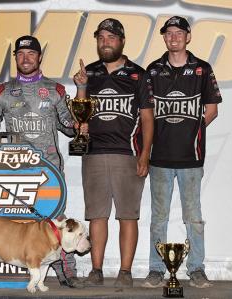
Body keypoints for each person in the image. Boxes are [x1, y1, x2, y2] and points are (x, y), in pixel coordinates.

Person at [0, 35, 83, 288]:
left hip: (49, 170)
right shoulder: (2, 91)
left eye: (31, 53)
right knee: (16, 224)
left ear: (39, 57)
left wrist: (79, 124)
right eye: (20, 54)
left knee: (55, 222)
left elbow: (68, 126)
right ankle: (11, 271)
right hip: (13, 169)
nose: (26, 58)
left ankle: (66, 270)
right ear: (15, 58)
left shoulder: (55, 90)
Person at [73, 18, 154, 288]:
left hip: (127, 154)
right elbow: (80, 113)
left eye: (111, 37)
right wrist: (81, 85)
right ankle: (96, 270)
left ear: (121, 41)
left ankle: (126, 271)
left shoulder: (137, 74)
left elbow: (147, 119)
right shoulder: (90, 73)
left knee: (127, 215)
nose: (105, 42)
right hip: (94, 154)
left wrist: (144, 155)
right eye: (101, 38)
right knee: (97, 214)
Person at [142, 16, 222, 289]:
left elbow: (211, 110)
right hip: (159, 158)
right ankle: (155, 270)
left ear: (188, 36)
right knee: (158, 219)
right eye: (169, 33)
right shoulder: (152, 70)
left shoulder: (202, 69)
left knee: (194, 218)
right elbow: (146, 113)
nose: (173, 37)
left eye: (179, 33)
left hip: (191, 158)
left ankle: (196, 268)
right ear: (164, 38)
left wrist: (192, 130)